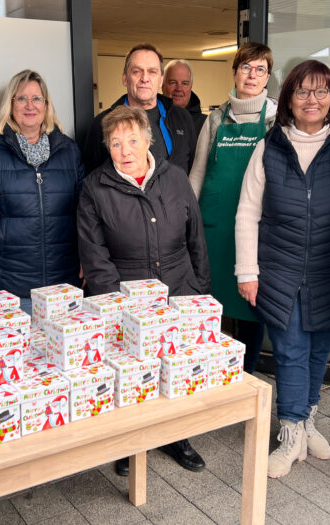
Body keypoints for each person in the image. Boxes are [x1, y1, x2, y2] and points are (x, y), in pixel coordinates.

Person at [77, 105, 210, 477]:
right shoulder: (94, 188)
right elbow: (95, 255)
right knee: (133, 375)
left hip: (179, 290)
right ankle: (130, 444)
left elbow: (195, 238)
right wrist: (118, 309)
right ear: (107, 146)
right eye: (116, 143)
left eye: (133, 140)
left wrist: (199, 290)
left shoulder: (176, 178)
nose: (126, 150)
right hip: (127, 298)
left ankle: (178, 437)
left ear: (148, 139)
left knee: (177, 370)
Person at [236, 60, 330, 478]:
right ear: (288, 99)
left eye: (321, 92)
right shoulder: (270, 145)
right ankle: (288, 432)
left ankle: (306, 422)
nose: (312, 100)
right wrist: (247, 271)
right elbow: (247, 211)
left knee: (319, 349)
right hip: (278, 267)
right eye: (302, 91)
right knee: (288, 350)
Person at [189, 42, 276, 374]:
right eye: (245, 68)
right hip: (213, 227)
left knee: (250, 304)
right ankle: (210, 371)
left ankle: (246, 373)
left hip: (254, 229)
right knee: (213, 302)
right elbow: (198, 171)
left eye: (259, 69)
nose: (251, 75)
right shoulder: (215, 119)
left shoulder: (275, 118)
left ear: (268, 75)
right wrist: (187, 220)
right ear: (235, 72)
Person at [0, 69, 85, 312]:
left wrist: (89, 259)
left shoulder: (69, 151)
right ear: (10, 104)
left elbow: (85, 213)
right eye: (21, 98)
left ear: (46, 104)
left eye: (36, 98)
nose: (29, 105)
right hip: (10, 286)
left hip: (64, 284)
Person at [82, 43, 197, 174]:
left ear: (161, 81)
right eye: (137, 71)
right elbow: (92, 178)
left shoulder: (182, 118)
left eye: (152, 72)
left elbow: (192, 169)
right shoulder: (102, 124)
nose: (145, 78)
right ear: (125, 78)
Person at [163, 59, 207, 131]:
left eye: (184, 84)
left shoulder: (205, 124)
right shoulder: (149, 119)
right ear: (162, 85)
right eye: (173, 82)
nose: (179, 89)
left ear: (191, 87)